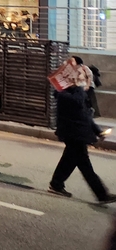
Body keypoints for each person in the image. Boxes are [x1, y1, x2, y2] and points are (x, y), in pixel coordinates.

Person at [49, 63, 116, 203]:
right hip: (73, 134)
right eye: (78, 75)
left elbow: (85, 116)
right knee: (84, 165)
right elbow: (77, 103)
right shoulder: (64, 94)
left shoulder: (76, 92)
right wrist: (80, 88)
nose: (81, 77)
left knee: (69, 161)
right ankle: (102, 194)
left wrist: (98, 131)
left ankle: (56, 183)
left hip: (78, 133)